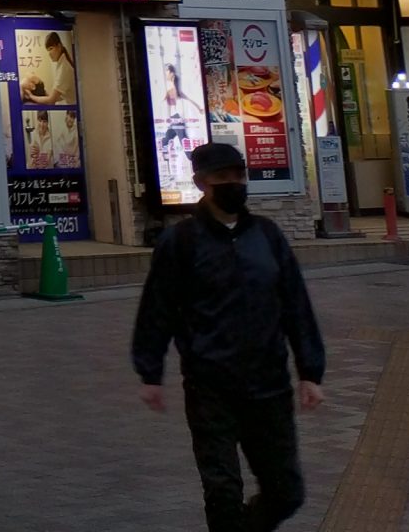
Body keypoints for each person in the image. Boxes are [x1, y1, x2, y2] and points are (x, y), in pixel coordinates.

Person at [132, 142, 326, 532]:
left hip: (269, 385)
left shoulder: (267, 236)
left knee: (286, 491)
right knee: (222, 491)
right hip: (210, 386)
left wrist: (310, 370)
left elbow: (295, 304)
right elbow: (158, 308)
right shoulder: (181, 242)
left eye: (238, 176)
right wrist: (150, 371)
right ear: (202, 183)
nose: (233, 184)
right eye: (223, 177)